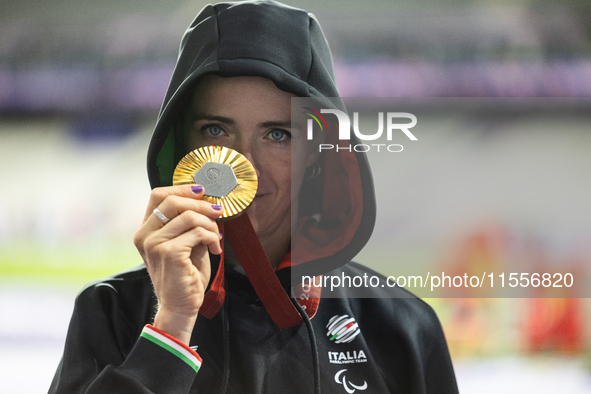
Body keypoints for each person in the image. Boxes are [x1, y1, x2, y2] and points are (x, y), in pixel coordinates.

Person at [50, 1, 458, 393]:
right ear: (182, 146)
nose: (242, 165)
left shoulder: (403, 326)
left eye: (278, 134)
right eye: (215, 130)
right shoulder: (109, 313)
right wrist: (171, 327)